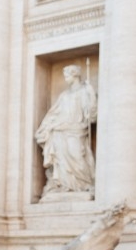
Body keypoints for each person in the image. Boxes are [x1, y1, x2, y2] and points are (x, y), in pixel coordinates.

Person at [35, 64, 97, 196]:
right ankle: (64, 184)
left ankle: (84, 184)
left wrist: (91, 95)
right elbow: (54, 112)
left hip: (77, 128)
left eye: (67, 76)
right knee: (61, 157)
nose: (65, 78)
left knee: (77, 155)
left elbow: (91, 113)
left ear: (75, 75)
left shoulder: (85, 91)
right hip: (61, 128)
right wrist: (47, 126)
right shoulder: (64, 95)